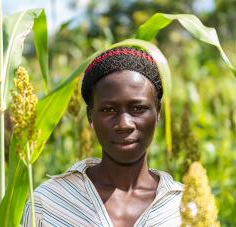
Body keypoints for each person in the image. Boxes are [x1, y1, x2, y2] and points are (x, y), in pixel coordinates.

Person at [21, 46, 183, 227]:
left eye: (138, 109)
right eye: (108, 110)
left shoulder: (185, 207)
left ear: (158, 112)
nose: (124, 124)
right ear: (90, 116)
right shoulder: (47, 204)